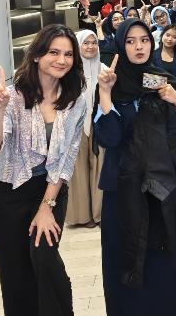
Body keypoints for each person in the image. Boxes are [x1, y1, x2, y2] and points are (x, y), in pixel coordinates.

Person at [93, 19, 176, 315]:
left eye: (144, 40)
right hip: (122, 191)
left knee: (166, 265)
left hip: (161, 190)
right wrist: (105, 94)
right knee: (125, 258)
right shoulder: (111, 82)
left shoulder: (162, 80)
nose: (139, 46)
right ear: (120, 45)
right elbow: (109, 138)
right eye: (130, 41)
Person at [0, 25, 88, 316]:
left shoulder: (75, 100)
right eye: (54, 52)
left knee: (44, 258)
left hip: (50, 190)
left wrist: (46, 206)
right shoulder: (14, 96)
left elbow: (67, 158)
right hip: (8, 194)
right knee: (15, 274)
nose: (62, 60)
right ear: (38, 55)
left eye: (68, 54)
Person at [65, 30, 106, 228]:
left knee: (100, 167)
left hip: (100, 123)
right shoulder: (69, 70)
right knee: (78, 170)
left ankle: (101, 213)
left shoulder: (104, 69)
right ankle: (81, 216)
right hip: (76, 125)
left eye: (94, 43)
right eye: (86, 43)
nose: (91, 46)